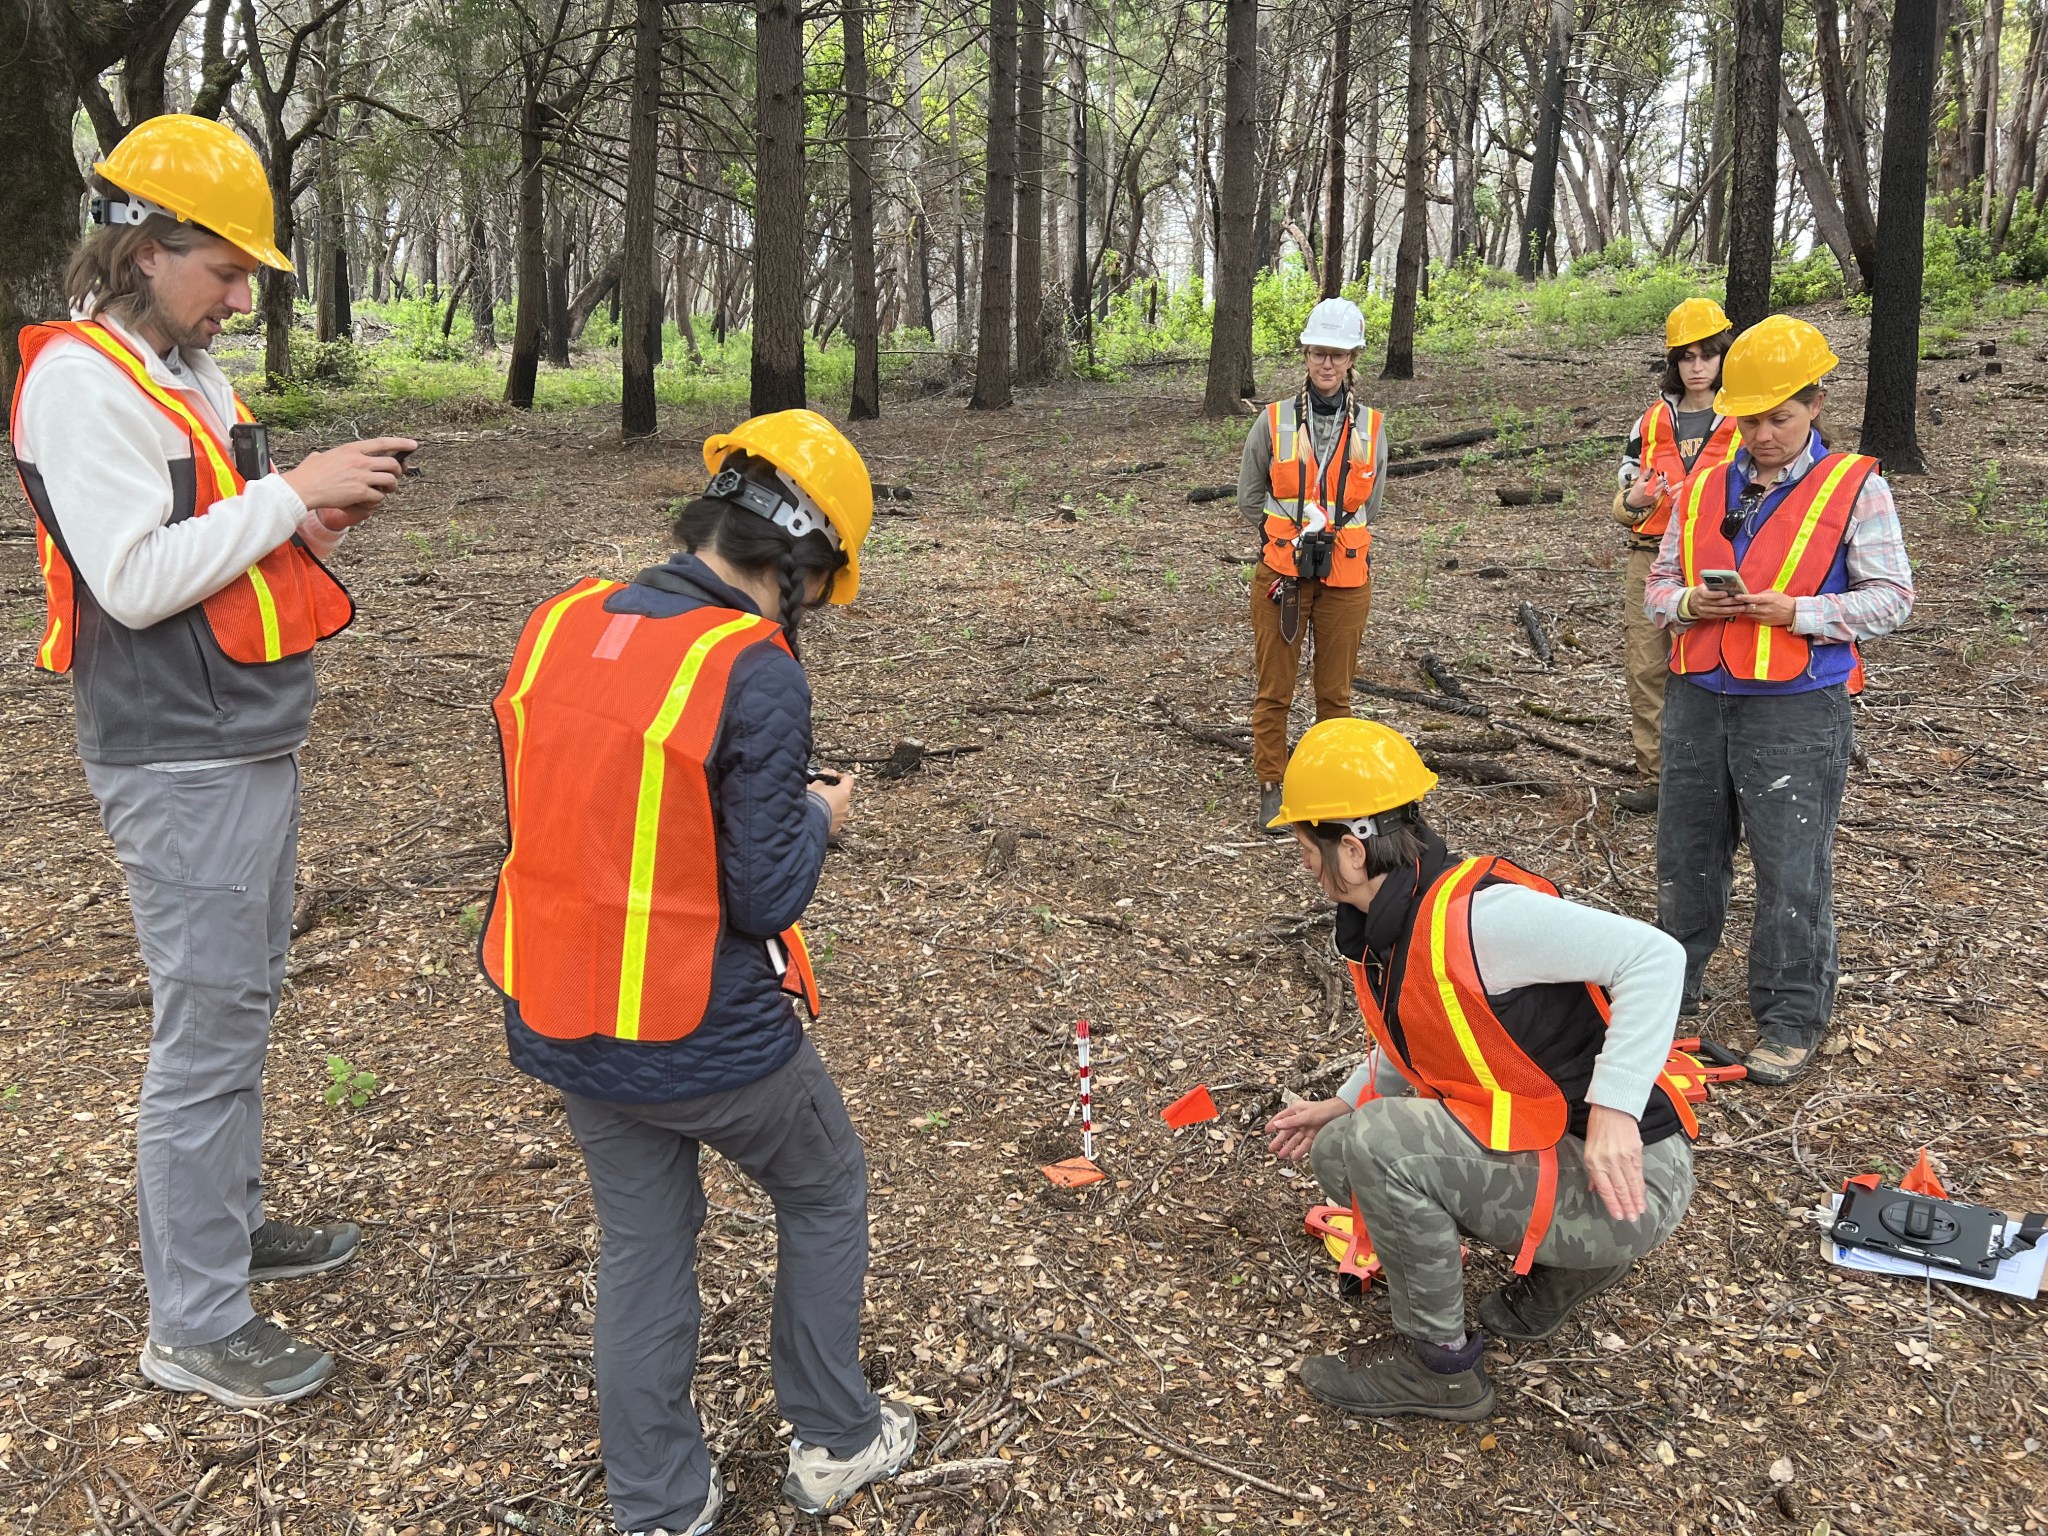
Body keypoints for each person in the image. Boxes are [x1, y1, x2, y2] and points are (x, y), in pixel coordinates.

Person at [9, 114, 413, 1408]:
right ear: (141, 247)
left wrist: (306, 521)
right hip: (176, 754)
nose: (241, 296)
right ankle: (190, 1321)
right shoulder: (79, 381)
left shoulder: (188, 376)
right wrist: (289, 495)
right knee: (205, 1027)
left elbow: (216, 547)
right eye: (225, 269)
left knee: (239, 1004)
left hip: (239, 731)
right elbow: (127, 586)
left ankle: (223, 1235)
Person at [480, 410, 913, 1536]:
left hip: (568, 1009)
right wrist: (818, 815)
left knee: (640, 1242)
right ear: (801, 564)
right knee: (823, 1187)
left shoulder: (561, 620)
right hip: (699, 1026)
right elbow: (765, 895)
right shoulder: (751, 669)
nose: (805, 608)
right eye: (813, 586)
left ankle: (659, 1503)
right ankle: (836, 1438)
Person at [1262, 719, 1698, 1421]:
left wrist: (1616, 1108)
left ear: (1350, 849)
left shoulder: (1482, 919)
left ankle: (1438, 1370)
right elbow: (1431, 1040)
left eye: (1305, 848)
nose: (1303, 864)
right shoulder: (1403, 920)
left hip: (1626, 1174)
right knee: (1348, 1144)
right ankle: (1570, 1266)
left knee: (1379, 1148)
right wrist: (1343, 1102)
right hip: (1594, 1170)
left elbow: (1655, 957)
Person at [1645, 315, 1914, 1084]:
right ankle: (1671, 992)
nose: (1762, 434)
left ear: (1815, 405)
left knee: (1791, 866)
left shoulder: (1856, 487)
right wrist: (1693, 603)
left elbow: (1893, 599)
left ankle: (1791, 1014)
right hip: (1699, 695)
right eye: (1750, 418)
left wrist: (1799, 613)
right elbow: (1658, 587)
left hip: (1796, 708)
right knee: (1685, 854)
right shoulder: (1701, 487)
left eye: (1779, 418)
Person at [1236, 297, 1388, 833]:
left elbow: (1375, 503)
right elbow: (1249, 498)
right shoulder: (1273, 420)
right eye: (1320, 352)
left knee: (1335, 692)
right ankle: (1271, 784)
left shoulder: (1371, 426)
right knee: (1274, 687)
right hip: (1283, 574)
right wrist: (1292, 531)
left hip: (1346, 578)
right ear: (1306, 354)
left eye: (1339, 354)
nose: (1328, 363)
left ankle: (1329, 786)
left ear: (1352, 360)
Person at [1610, 297, 1740, 814]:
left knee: (1720, 667)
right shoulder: (1650, 424)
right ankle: (1659, 779)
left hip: (1719, 561)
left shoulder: (1744, 416)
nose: (1697, 366)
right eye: (1686, 357)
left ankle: (1721, 780)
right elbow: (1622, 501)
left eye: (1707, 355)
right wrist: (1633, 502)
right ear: (1674, 363)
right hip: (1650, 559)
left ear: (1723, 357)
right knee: (1647, 668)